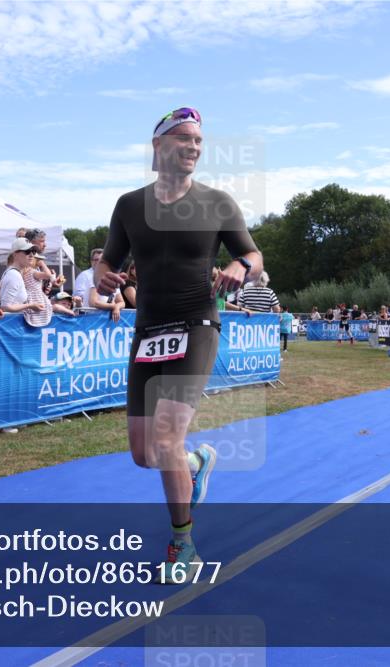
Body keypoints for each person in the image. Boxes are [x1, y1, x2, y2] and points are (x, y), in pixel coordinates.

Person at [95, 107, 262, 583]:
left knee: (166, 438)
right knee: (145, 453)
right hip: (149, 331)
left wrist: (241, 268)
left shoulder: (218, 202)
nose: (194, 147)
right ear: (159, 146)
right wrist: (106, 279)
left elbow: (251, 253)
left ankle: (182, 544)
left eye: (199, 141)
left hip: (197, 325)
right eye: (185, 139)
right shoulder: (129, 205)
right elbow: (109, 264)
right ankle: (197, 461)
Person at [0, 237, 49, 315]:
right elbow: (5, 307)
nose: (32, 254)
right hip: (12, 324)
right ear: (15, 254)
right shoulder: (14, 275)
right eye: (27, 251)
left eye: (33, 251)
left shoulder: (14, 273)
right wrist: (30, 305)